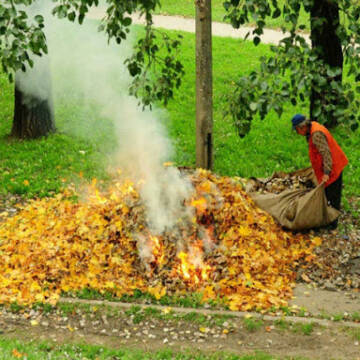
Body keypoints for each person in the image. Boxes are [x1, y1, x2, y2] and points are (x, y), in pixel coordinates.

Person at [291, 114, 348, 228]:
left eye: (297, 130)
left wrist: (327, 173)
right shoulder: (313, 127)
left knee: (332, 195)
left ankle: (332, 223)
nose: (297, 133)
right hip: (330, 166)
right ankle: (328, 218)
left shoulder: (316, 134)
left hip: (333, 167)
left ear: (302, 127)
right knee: (329, 194)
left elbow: (326, 154)